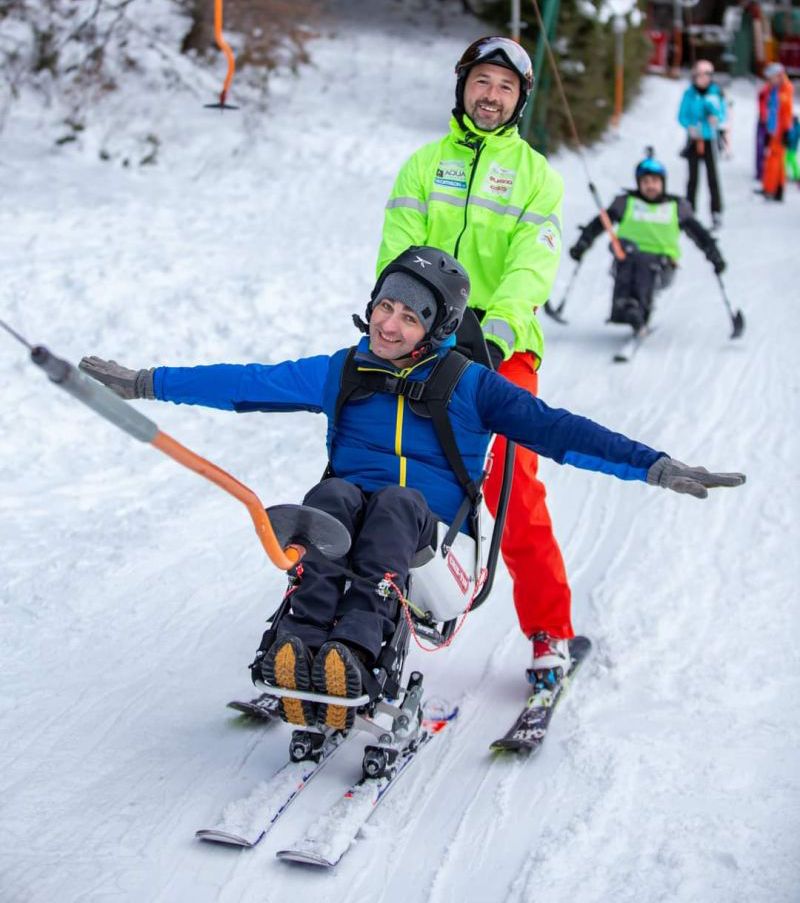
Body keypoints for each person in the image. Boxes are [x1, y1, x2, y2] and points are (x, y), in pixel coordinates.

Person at [79, 246, 745, 733]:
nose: (389, 325)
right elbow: (248, 380)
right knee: (334, 499)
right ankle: (297, 645)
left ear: (437, 327)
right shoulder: (344, 369)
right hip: (348, 521)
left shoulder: (470, 385)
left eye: (408, 316)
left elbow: (560, 429)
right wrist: (146, 382)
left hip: (437, 550)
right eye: (383, 308)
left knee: (395, 504)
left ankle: (357, 653)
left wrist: (654, 464)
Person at [376, 36, 576, 680]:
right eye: (481, 82)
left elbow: (531, 264)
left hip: (499, 349)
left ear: (519, 100)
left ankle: (549, 632)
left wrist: (499, 327)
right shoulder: (422, 165)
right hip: (421, 342)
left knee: (510, 485)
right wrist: (403, 319)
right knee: (380, 472)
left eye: (505, 87)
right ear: (463, 86)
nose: (490, 96)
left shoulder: (537, 176)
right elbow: (397, 250)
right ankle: (355, 618)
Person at [569, 155, 725, 333]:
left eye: (655, 181)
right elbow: (599, 224)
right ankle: (624, 307)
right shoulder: (626, 203)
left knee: (645, 261)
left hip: (661, 265)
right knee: (626, 251)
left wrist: (714, 255)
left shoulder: (675, 207)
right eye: (645, 181)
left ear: (663, 183)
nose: (650, 186)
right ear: (638, 183)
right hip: (626, 258)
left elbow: (699, 234)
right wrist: (583, 243)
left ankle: (638, 310)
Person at [678, 60, 727, 229]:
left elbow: (722, 114)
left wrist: (716, 119)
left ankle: (716, 212)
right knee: (692, 178)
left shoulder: (715, 94)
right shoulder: (689, 94)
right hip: (694, 139)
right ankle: (689, 211)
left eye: (707, 75)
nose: (703, 78)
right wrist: (689, 126)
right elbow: (682, 115)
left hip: (709, 139)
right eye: (699, 75)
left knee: (712, 177)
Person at [760, 63, 794, 201]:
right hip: (772, 130)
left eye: (771, 77)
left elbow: (786, 113)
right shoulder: (773, 89)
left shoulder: (785, 90)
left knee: (776, 161)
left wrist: (786, 131)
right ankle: (773, 188)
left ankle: (773, 189)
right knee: (772, 160)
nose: (769, 80)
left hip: (780, 132)